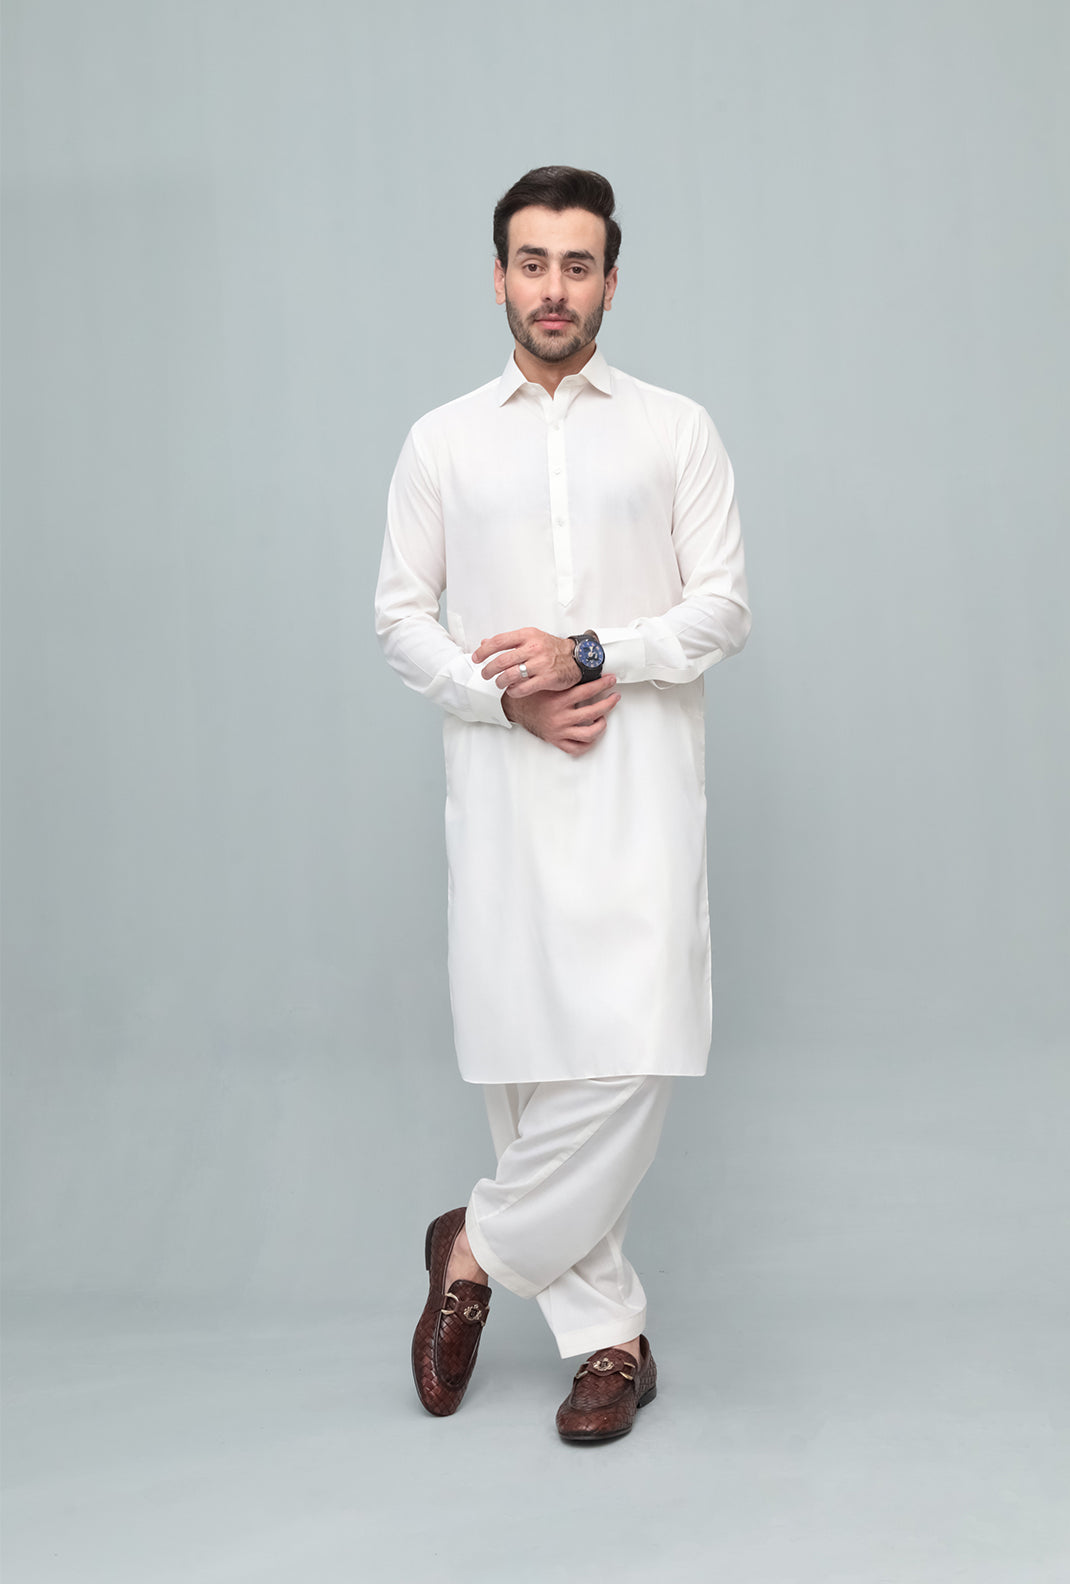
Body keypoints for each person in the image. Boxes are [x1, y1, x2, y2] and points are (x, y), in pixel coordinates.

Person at [375, 166, 749, 1442]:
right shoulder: (441, 440)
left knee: (635, 1049)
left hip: (640, 792)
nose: (553, 289)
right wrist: (505, 702)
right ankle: (606, 1346)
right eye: (531, 263)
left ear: (609, 282)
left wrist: (591, 654)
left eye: (576, 266)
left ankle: (474, 1248)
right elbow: (400, 619)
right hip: (505, 794)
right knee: (530, 1070)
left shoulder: (675, 429)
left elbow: (721, 609)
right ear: (498, 276)